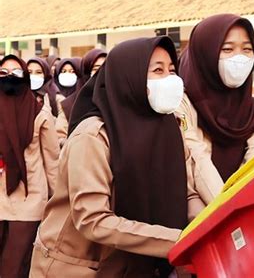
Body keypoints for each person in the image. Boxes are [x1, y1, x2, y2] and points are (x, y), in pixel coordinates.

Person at [29, 36, 204, 277]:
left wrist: (206, 229)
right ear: (128, 76)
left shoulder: (167, 128)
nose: (170, 80)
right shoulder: (93, 136)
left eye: (172, 70)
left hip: (133, 266)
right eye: (157, 70)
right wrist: (178, 240)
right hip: (77, 266)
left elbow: (185, 191)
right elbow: (93, 220)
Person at [178, 14, 254, 204]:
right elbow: (197, 160)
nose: (239, 58)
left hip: (241, 212)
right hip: (192, 219)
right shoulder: (181, 104)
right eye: (227, 49)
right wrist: (226, 210)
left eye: (247, 49)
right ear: (206, 53)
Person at [0, 54, 59, 278]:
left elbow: (52, 160)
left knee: (15, 266)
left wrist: (57, 202)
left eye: (16, 72)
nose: (9, 77)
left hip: (29, 199)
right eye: (3, 73)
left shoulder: (39, 112)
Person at [56, 49, 106, 146]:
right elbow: (58, 137)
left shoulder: (115, 101)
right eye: (96, 68)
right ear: (87, 72)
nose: (102, 72)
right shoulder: (69, 105)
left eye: (105, 67)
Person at [53, 57, 81, 145]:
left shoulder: (82, 97)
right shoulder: (51, 95)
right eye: (63, 71)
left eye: (72, 71)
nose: (68, 74)